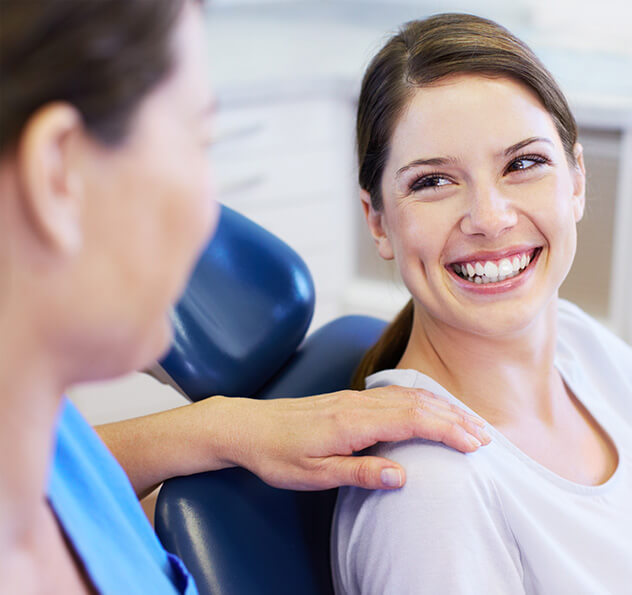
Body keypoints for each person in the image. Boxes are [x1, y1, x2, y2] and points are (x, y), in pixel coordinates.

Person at [0, 1, 492, 591]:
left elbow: (72, 470)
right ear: (58, 175)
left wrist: (222, 428)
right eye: (196, 142)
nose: (212, 219)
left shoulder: (41, 441)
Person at [332, 13, 632, 595]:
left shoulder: (584, 344)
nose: (490, 219)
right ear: (378, 222)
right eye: (433, 182)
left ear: (576, 182)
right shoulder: (429, 493)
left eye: (523, 164)